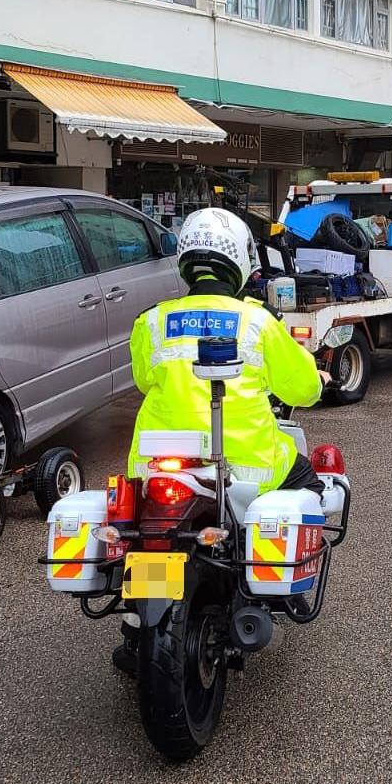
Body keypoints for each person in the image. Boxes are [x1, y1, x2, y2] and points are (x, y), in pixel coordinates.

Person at [114, 208, 327, 673]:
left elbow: (143, 379)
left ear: (186, 260)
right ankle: (275, 581)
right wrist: (315, 378)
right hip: (245, 468)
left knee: (141, 532)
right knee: (311, 483)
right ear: (241, 263)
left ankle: (135, 627)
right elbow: (303, 389)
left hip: (158, 466)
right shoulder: (257, 322)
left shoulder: (151, 322)